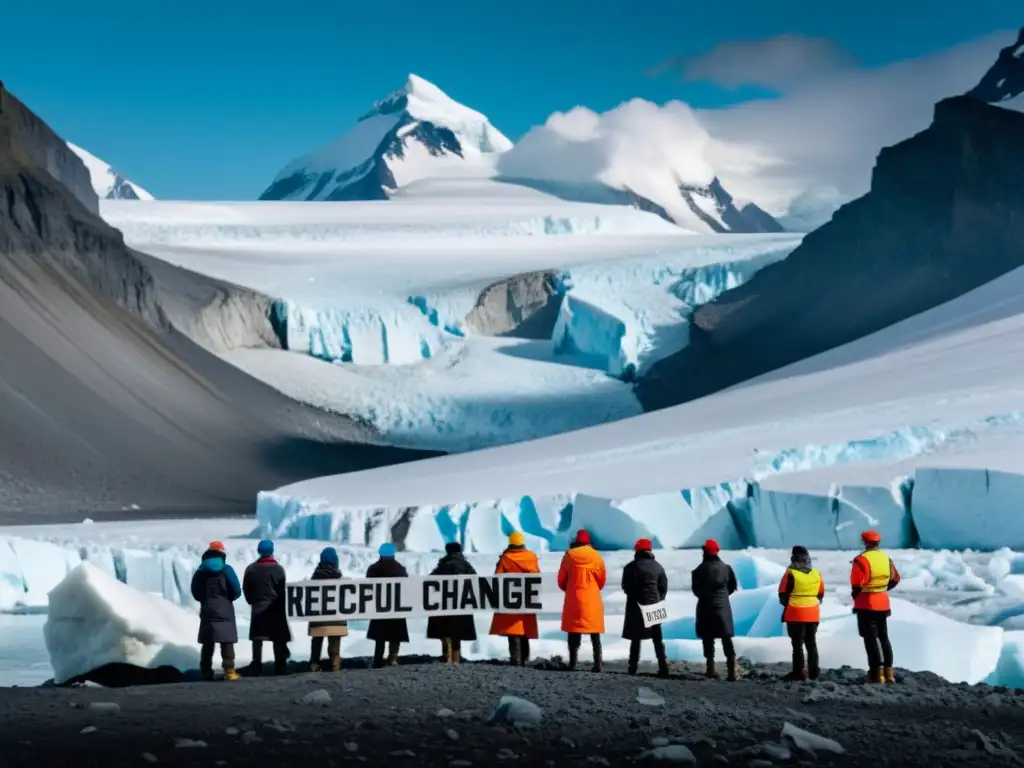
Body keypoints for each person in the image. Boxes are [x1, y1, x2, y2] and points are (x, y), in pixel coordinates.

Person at [851, 529, 901, 683]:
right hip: (883, 602)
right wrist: (882, 590)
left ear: (865, 542)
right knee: (884, 637)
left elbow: (856, 583)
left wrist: (857, 595)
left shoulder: (861, 560)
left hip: (866, 603)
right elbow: (895, 579)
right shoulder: (886, 559)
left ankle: (876, 673)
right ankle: (889, 673)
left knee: (870, 638)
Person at [190, 540, 242, 681]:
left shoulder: (201, 571)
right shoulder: (227, 569)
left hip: (208, 609)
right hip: (225, 609)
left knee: (208, 642)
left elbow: (195, 591)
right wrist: (228, 598)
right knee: (227, 642)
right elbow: (237, 590)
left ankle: (205, 672)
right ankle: (229, 671)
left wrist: (205, 600)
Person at [558, 529, 607, 672]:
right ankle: (598, 664)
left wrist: (569, 589)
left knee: (573, 631)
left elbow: (561, 578)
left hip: (574, 598)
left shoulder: (569, 555)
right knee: (594, 633)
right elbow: (602, 579)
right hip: (592, 599)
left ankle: (573, 663)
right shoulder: (596, 556)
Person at [489, 531, 540, 666]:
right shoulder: (532, 557)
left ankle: (515, 659)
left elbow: (497, 577)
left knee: (513, 631)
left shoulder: (505, 558)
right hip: (527, 598)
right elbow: (537, 575)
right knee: (524, 629)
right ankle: (525, 658)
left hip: (510, 599)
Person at [691, 538, 738, 681]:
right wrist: (722, 596)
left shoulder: (698, 570)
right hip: (723, 607)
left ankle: (710, 668)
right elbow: (732, 587)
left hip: (705, 607)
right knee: (726, 638)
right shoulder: (726, 568)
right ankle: (731, 671)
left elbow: (696, 590)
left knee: (708, 638)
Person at [621, 538, 670, 677]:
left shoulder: (630, 567)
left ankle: (632, 668)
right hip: (655, 603)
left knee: (636, 638)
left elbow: (626, 587)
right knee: (657, 637)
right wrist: (659, 600)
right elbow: (663, 587)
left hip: (636, 605)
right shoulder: (658, 567)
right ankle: (663, 667)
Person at [243, 539, 291, 675]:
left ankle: (256, 665)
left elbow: (246, 589)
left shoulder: (251, 569)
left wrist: (252, 601)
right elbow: (282, 591)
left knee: (258, 639)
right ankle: (280, 666)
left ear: (259, 551)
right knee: (278, 638)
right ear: (272, 551)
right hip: (274, 609)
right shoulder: (278, 569)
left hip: (258, 608)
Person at [778, 545, 825, 681]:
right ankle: (814, 672)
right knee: (811, 643)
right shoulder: (816, 573)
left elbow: (782, 593)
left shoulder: (790, 573)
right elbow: (821, 593)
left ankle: (799, 672)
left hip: (795, 612)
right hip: (813, 613)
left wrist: (791, 602)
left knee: (797, 644)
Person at [426, 541, 477, 664]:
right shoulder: (465, 565)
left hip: (444, 604)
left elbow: (431, 580)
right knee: (457, 632)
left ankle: (447, 655)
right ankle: (456, 657)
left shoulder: (443, 565)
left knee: (445, 630)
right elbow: (475, 580)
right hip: (461, 605)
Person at [366, 543, 410, 668]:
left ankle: (378, 659)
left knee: (380, 635)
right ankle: (392, 658)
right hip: (396, 607)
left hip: (379, 607)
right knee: (395, 634)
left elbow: (368, 588)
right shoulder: (400, 569)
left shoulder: (373, 569)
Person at [307, 546, 346, 673]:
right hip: (336, 618)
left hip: (318, 617)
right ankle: (335, 662)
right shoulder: (339, 578)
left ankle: (314, 663)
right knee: (335, 640)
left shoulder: (315, 577)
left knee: (317, 641)